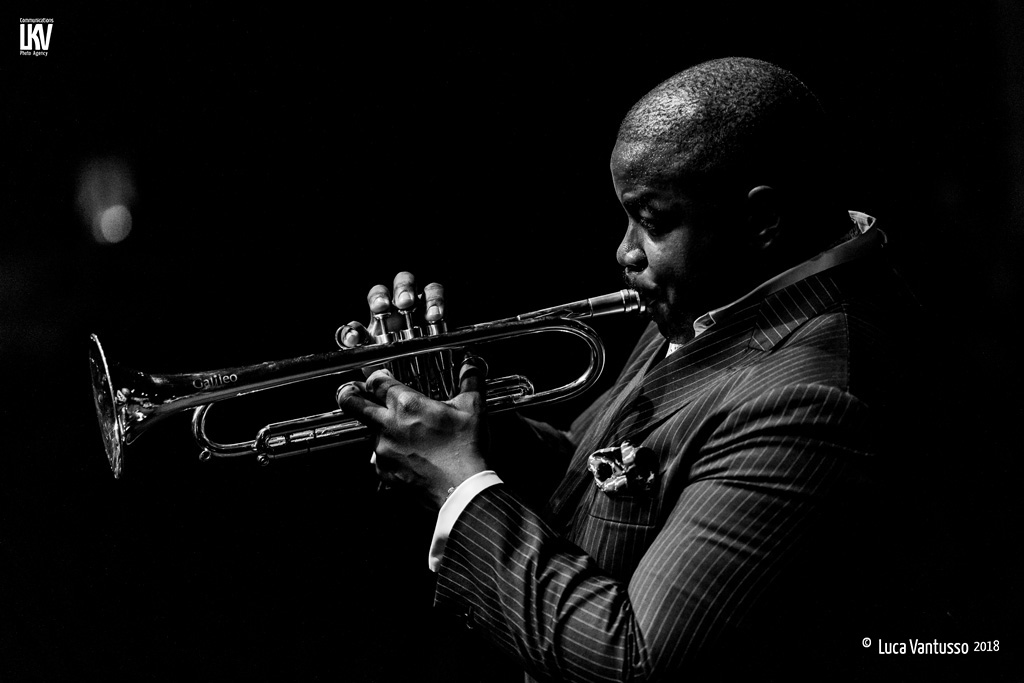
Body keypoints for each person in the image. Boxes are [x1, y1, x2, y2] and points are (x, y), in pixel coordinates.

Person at [337, 57, 924, 681]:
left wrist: (458, 481)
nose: (625, 253)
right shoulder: (727, 292)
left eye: (652, 222)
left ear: (762, 221)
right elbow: (596, 473)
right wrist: (455, 424)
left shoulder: (816, 397)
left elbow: (635, 662)